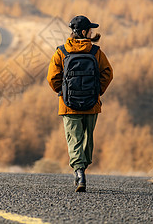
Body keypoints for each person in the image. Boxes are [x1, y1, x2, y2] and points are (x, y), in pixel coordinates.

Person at [47, 15, 113, 192]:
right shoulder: (95, 52)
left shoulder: (61, 52)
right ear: (84, 32)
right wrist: (97, 91)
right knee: (87, 138)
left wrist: (62, 92)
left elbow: (52, 78)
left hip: (69, 105)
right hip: (92, 104)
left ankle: (79, 172)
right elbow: (108, 73)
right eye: (90, 29)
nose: (92, 32)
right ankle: (83, 167)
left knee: (74, 139)